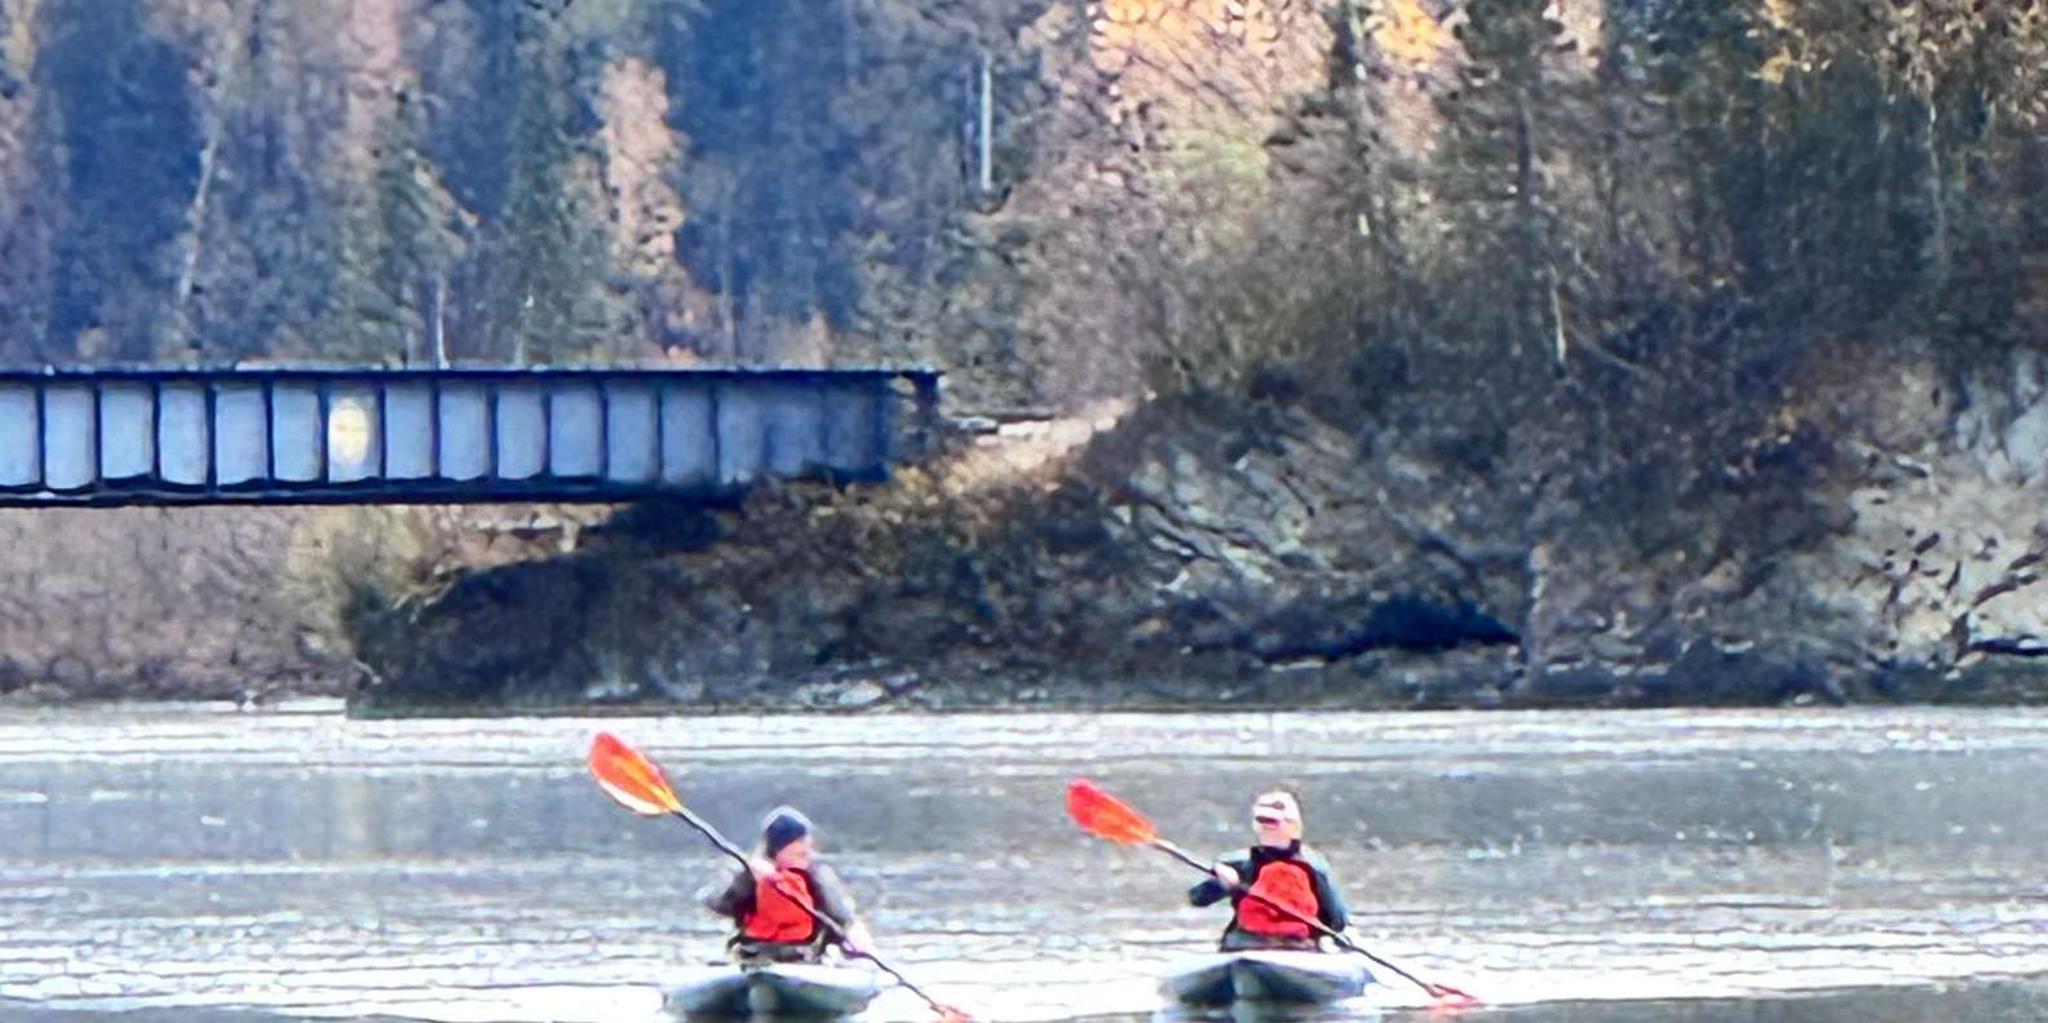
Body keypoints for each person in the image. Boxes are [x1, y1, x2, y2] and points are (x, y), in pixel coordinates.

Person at [703, 806, 876, 965]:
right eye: (799, 849)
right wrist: (746, 877)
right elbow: (715, 903)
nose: (807, 853)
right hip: (753, 956)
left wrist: (856, 938)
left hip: (804, 958)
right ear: (776, 850)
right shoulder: (750, 874)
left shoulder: (816, 877)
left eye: (807, 846)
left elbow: (843, 918)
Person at [1186, 788, 1350, 951]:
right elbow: (1197, 898)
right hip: (1244, 945)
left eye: (1276, 813)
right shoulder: (1237, 863)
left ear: (1295, 824)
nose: (1268, 824)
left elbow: (1337, 921)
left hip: (1298, 947)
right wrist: (1220, 884)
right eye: (1263, 818)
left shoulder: (1314, 866)